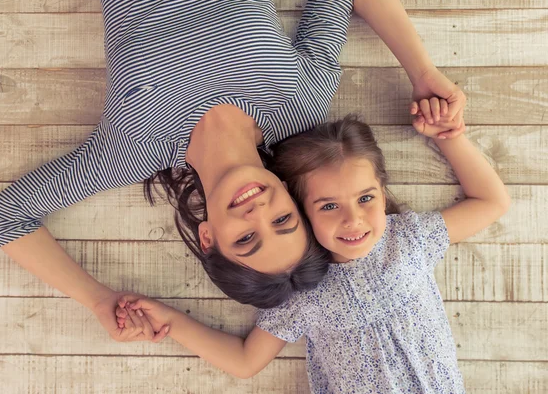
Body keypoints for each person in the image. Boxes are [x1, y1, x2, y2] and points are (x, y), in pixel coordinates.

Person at [0, 0, 465, 341]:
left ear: (208, 237)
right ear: (295, 200)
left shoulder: (134, 147)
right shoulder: (301, 99)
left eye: (245, 239)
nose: (257, 213)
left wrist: (97, 299)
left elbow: (4, 218)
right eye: (282, 221)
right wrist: (424, 73)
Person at [115, 111, 510, 393]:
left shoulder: (407, 240)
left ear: (382, 191)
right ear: (298, 213)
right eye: (328, 206)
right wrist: (171, 322)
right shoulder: (301, 291)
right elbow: (245, 361)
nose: (353, 221)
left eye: (367, 198)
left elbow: (491, 202)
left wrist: (450, 136)